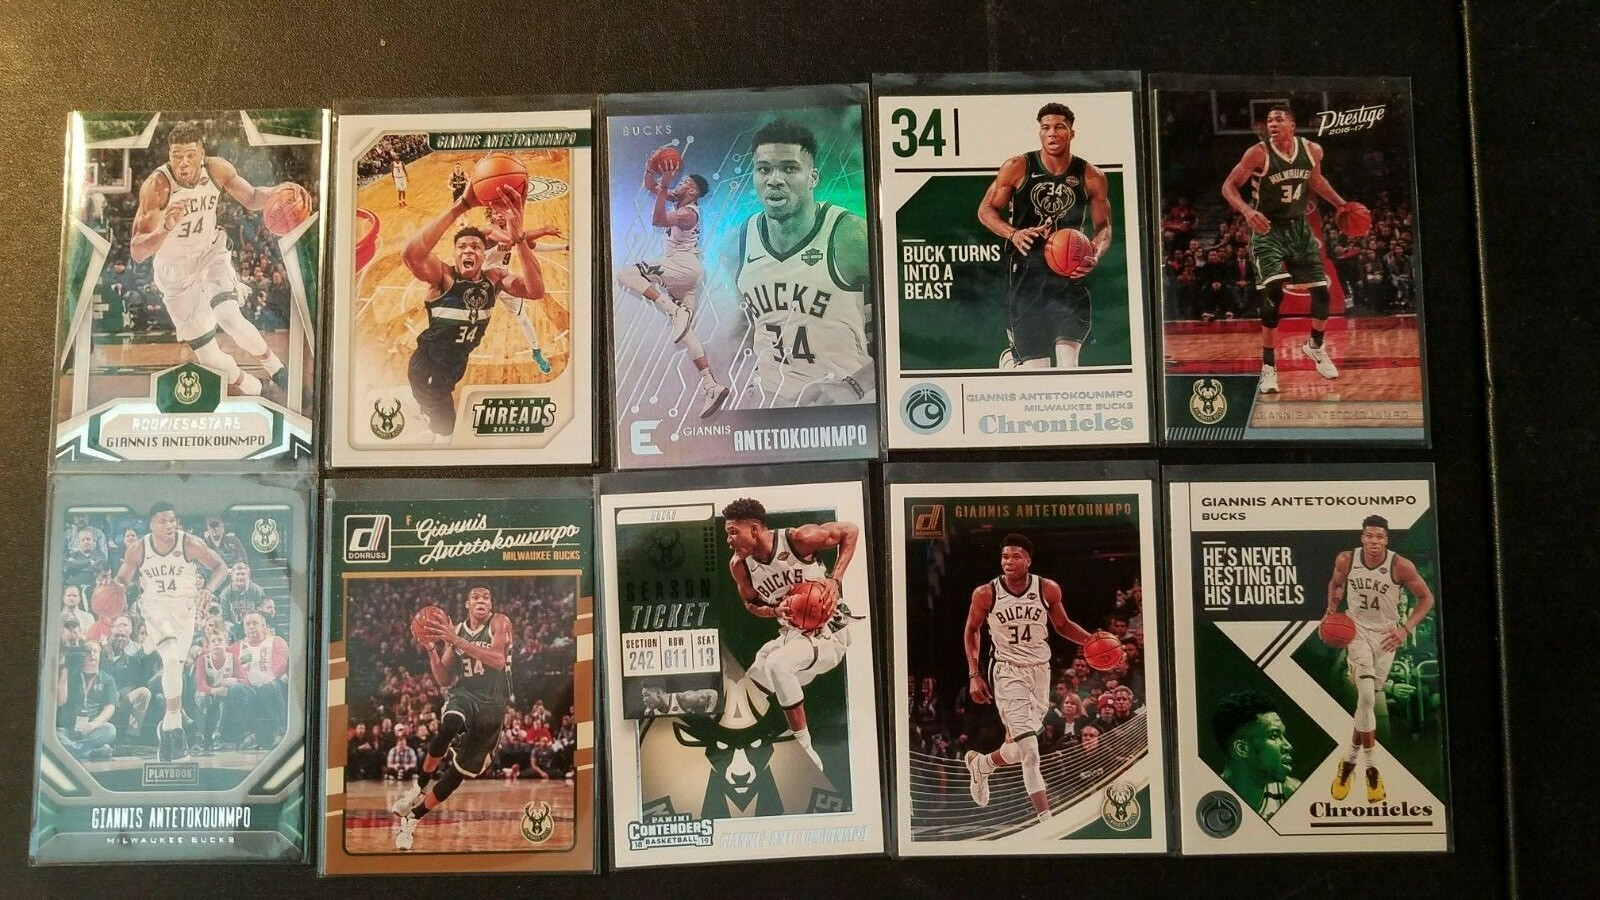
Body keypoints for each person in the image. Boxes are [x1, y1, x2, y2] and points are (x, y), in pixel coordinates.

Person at [128, 122, 311, 398]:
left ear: (202, 153)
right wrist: (164, 229)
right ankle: (257, 388)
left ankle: (278, 371)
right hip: (174, 271)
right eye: (177, 156)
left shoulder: (216, 169)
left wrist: (277, 191)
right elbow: (137, 251)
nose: (183, 162)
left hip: (209, 253)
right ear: (169, 155)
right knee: (209, 357)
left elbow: (252, 197)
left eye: (190, 155)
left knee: (229, 316)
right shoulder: (157, 186)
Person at [962, 534, 1114, 821]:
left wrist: (1092, 641)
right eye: (1005, 556)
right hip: (1007, 671)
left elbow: (1063, 625)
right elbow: (972, 630)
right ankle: (1046, 821)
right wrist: (974, 673)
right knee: (1031, 752)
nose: (1008, 561)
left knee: (1018, 750)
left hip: (1040, 671)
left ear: (1028, 561)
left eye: (1015, 556)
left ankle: (982, 765)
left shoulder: (1047, 588)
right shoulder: (986, 593)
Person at [1221, 104, 1362, 394]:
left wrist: (1342, 204)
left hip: (1299, 228)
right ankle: (1268, 367)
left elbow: (1316, 179)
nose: (1272, 124)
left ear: (1292, 125)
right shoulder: (1258, 153)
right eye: (1269, 120)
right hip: (1267, 228)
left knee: (1321, 291)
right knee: (1273, 293)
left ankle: (1315, 346)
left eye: (1279, 119)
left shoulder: (1312, 150)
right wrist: (1247, 211)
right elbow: (1228, 186)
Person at [734, 119, 874, 408]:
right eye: (764, 169)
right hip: (769, 408)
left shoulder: (850, 235)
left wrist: (857, 385)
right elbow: (741, 331)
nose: (774, 180)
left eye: (789, 168)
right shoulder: (740, 239)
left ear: (813, 178)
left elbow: (914, 318)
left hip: (840, 405)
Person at [722, 497, 860, 772]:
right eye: (728, 533)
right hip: (794, 635)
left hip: (830, 628)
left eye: (733, 532)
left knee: (777, 664)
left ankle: (805, 751)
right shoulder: (739, 565)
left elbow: (850, 531)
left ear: (755, 529)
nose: (729, 540)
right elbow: (751, 604)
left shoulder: (798, 539)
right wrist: (774, 611)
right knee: (747, 691)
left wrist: (835, 579)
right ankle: (748, 752)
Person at [401, 183, 550, 437]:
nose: (468, 249)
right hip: (429, 371)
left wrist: (520, 239)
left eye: (476, 247)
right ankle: (417, 414)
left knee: (442, 413)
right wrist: (462, 205)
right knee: (446, 431)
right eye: (462, 246)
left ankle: (418, 406)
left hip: (451, 368)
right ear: (455, 254)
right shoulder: (444, 278)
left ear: (483, 254)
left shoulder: (494, 278)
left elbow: (535, 291)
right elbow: (411, 255)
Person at [977, 103, 1114, 369]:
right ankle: (1014, 362)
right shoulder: (1017, 166)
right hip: (1027, 272)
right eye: (1046, 127)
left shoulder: (1091, 176)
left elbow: (1103, 227)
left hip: (1069, 275)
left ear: (1071, 133)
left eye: (1060, 127)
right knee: (1036, 371)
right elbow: (985, 210)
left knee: (1068, 365)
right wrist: (1013, 233)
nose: (1052, 133)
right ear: (1040, 132)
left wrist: (1095, 254)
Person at [391, 585, 513, 851]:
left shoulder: (499, 622)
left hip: (493, 705)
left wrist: (456, 641)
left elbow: (497, 660)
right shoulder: (456, 630)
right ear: (467, 604)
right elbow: (445, 679)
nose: (481, 600)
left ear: (491, 604)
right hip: (466, 693)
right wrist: (431, 648)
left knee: (458, 774)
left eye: (486, 597)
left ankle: (412, 819)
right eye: (475, 597)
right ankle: (419, 787)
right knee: (451, 723)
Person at [1325, 514, 1436, 803]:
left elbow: (1427, 599)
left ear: (1386, 539)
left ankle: (1348, 761)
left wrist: (1404, 629)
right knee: (1366, 697)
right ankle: (1371, 770)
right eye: (1369, 535)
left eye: (1380, 536)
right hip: (1357, 631)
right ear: (1362, 537)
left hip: (1387, 636)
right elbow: (1336, 584)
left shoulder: (1401, 566)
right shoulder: (1346, 559)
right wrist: (1331, 609)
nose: (1374, 541)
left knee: (1367, 703)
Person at [114, 502, 229, 762]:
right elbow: (121, 580)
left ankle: (166, 727)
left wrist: (208, 590)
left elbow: (221, 567)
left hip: (184, 612)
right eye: (163, 521)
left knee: (174, 668)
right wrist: (114, 593)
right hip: (155, 609)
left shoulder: (190, 543)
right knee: (169, 658)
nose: (169, 525)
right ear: (152, 524)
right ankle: (175, 728)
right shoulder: (139, 548)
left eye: (172, 520)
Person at [615, 159, 729, 416]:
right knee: (686, 332)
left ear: (693, 192)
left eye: (684, 182)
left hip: (681, 266)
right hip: (687, 273)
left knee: (627, 274)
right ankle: (711, 384)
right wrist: (650, 167)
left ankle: (672, 308)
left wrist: (665, 186)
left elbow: (657, 220)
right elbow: (650, 186)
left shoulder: (688, 213)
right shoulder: (678, 199)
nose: (680, 183)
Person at [482, 204, 562, 374]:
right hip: (484, 281)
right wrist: (544, 230)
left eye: (503, 213)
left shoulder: (512, 232)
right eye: (496, 213)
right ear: (490, 216)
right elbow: (513, 240)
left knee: (522, 316)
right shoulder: (488, 230)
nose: (501, 216)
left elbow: (532, 245)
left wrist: (564, 247)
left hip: (504, 278)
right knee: (474, 320)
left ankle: (536, 352)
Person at [1212, 690, 1299, 820]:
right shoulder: (1210, 797)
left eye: (1283, 736)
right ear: (1242, 748)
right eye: (1274, 736)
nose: (1288, 746)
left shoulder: (1292, 792)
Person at [230, 611, 290, 749]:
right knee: (236, 689)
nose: (251, 627)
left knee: (270, 686)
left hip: (272, 684)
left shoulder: (276, 641)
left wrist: (267, 679)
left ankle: (280, 733)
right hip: (249, 687)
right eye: (247, 624)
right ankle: (250, 734)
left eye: (255, 623)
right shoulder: (237, 647)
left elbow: (281, 665)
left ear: (263, 626)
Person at [56, 639, 118, 762]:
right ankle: (91, 752)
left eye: (95, 651)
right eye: (88, 651)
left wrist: (94, 724)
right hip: (68, 728)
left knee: (110, 730)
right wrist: (64, 675)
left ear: (100, 656)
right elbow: (60, 701)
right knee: (55, 735)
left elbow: (110, 706)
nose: (92, 654)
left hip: (91, 729)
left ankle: (74, 750)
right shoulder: (72, 675)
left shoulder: (107, 679)